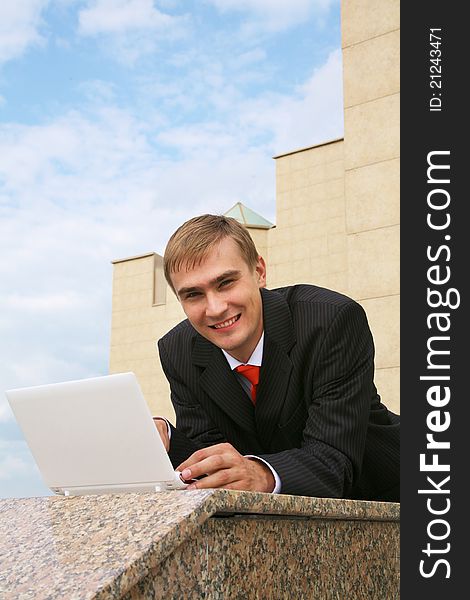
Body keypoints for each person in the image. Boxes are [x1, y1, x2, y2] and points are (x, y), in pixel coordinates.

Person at [154, 214, 400, 500]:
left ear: (259, 271)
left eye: (225, 283)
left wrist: (262, 474)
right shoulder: (177, 350)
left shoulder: (331, 321)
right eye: (193, 294)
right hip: (279, 518)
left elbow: (334, 458)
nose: (215, 308)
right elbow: (212, 454)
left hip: (390, 497)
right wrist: (166, 440)